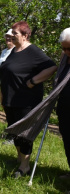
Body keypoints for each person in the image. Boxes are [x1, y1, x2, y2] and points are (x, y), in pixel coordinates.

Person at [0, 21, 57, 178]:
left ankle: (24, 166)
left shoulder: (33, 51)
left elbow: (51, 67)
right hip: (10, 98)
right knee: (14, 129)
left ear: (25, 35)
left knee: (24, 133)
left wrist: (34, 81)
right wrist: (2, 93)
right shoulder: (15, 50)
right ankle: (20, 158)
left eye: (15, 33)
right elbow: (7, 73)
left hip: (26, 100)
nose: (11, 36)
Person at [55, 28, 70, 180]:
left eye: (69, 48)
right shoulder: (64, 57)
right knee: (67, 140)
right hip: (64, 107)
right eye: (63, 48)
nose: (66, 51)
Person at [0, 29, 15, 145]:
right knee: (6, 108)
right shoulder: (4, 51)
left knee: (13, 109)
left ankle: (14, 137)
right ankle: (10, 131)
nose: (8, 39)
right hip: (3, 84)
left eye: (11, 37)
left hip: (12, 85)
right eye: (7, 37)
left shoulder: (16, 51)